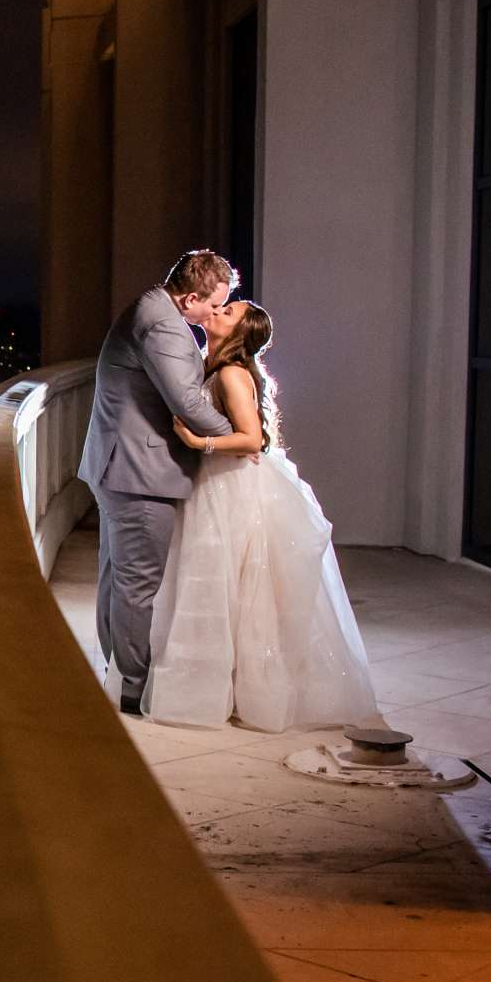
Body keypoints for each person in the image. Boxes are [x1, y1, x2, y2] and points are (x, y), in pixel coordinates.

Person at [142, 302, 380, 731]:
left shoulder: (232, 373)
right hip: (216, 485)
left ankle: (248, 693)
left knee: (239, 587)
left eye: (228, 311)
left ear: (239, 333)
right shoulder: (209, 365)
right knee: (222, 587)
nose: (217, 310)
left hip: (232, 486)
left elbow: (252, 440)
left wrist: (200, 444)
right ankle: (226, 688)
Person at [79, 250, 240, 714]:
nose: (214, 314)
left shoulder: (149, 307)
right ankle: (132, 688)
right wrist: (241, 438)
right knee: (137, 586)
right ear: (191, 297)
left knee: (119, 581)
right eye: (213, 306)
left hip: (119, 466)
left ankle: (117, 676)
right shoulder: (164, 325)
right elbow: (188, 403)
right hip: (140, 473)